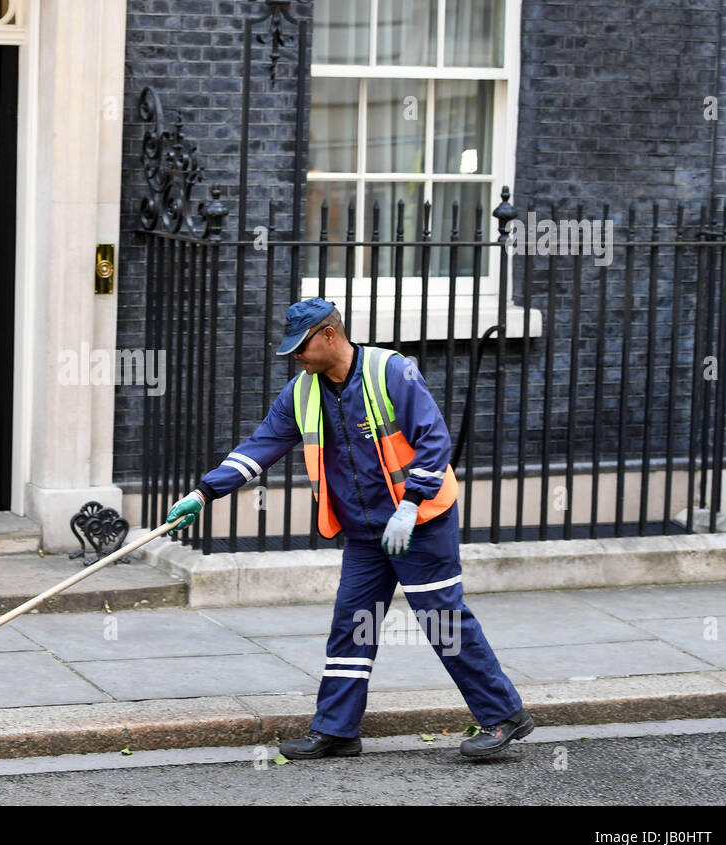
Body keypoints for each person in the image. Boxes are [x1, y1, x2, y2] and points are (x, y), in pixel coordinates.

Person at [166, 297, 533, 759]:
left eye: (300, 347)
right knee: (353, 625)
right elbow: (260, 448)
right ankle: (337, 729)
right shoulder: (302, 393)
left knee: (443, 621)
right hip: (364, 531)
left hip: (420, 523)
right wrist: (204, 493)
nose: (294, 357)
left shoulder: (391, 372)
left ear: (328, 334)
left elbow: (434, 440)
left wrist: (411, 506)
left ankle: (503, 715)